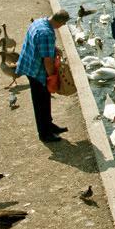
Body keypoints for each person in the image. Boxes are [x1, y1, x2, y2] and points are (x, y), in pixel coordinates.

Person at [15, 9, 71, 142]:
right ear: (60, 22)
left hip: (28, 64)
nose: (62, 27)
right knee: (41, 103)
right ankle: (44, 134)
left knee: (45, 99)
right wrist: (52, 77)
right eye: (63, 24)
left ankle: (49, 125)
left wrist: (53, 48)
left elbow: (39, 44)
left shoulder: (40, 22)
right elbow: (48, 61)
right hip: (36, 71)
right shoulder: (46, 33)